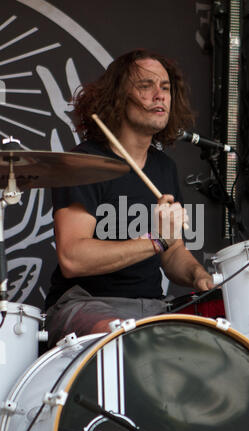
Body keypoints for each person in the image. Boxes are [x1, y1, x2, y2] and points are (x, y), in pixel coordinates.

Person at [44, 49, 214, 349]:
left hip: (150, 306)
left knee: (207, 346)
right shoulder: (83, 164)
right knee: (118, 339)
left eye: (165, 87)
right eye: (146, 86)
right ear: (118, 97)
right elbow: (73, 258)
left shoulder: (164, 168)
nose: (159, 95)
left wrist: (199, 276)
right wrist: (155, 240)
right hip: (84, 304)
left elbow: (173, 252)